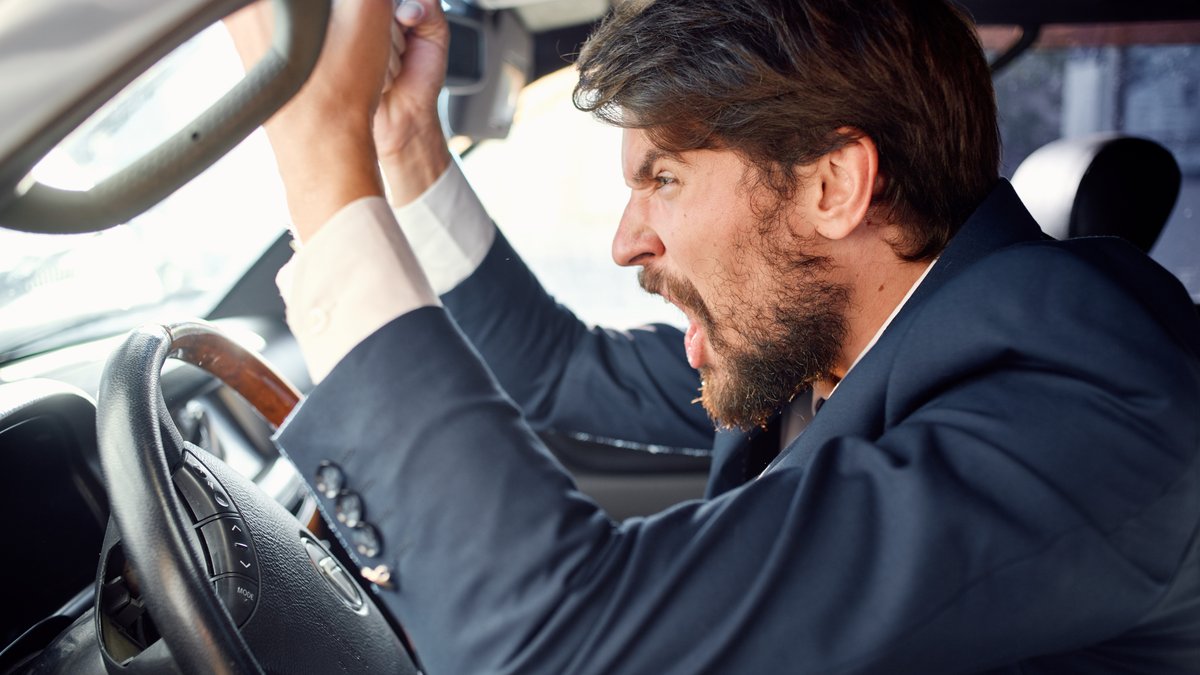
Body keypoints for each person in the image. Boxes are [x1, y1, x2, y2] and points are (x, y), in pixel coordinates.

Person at [230, 0, 1200, 672]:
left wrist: (321, 153)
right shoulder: (833, 337)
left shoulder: (1093, 406)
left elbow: (566, 650)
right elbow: (559, 371)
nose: (625, 242)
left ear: (831, 187)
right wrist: (400, 144)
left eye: (664, 179)